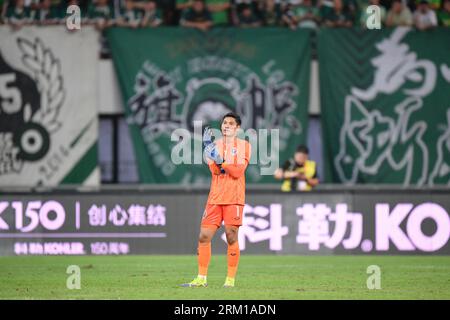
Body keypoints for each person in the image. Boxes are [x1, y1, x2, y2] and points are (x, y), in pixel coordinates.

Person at [181, 112, 251, 288]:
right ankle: (201, 278)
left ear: (237, 128)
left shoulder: (244, 146)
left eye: (230, 123)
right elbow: (216, 172)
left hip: (234, 197)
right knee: (204, 236)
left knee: (231, 236)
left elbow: (237, 172)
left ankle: (230, 280)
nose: (226, 125)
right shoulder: (215, 145)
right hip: (215, 198)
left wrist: (221, 160)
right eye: (224, 123)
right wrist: (211, 155)